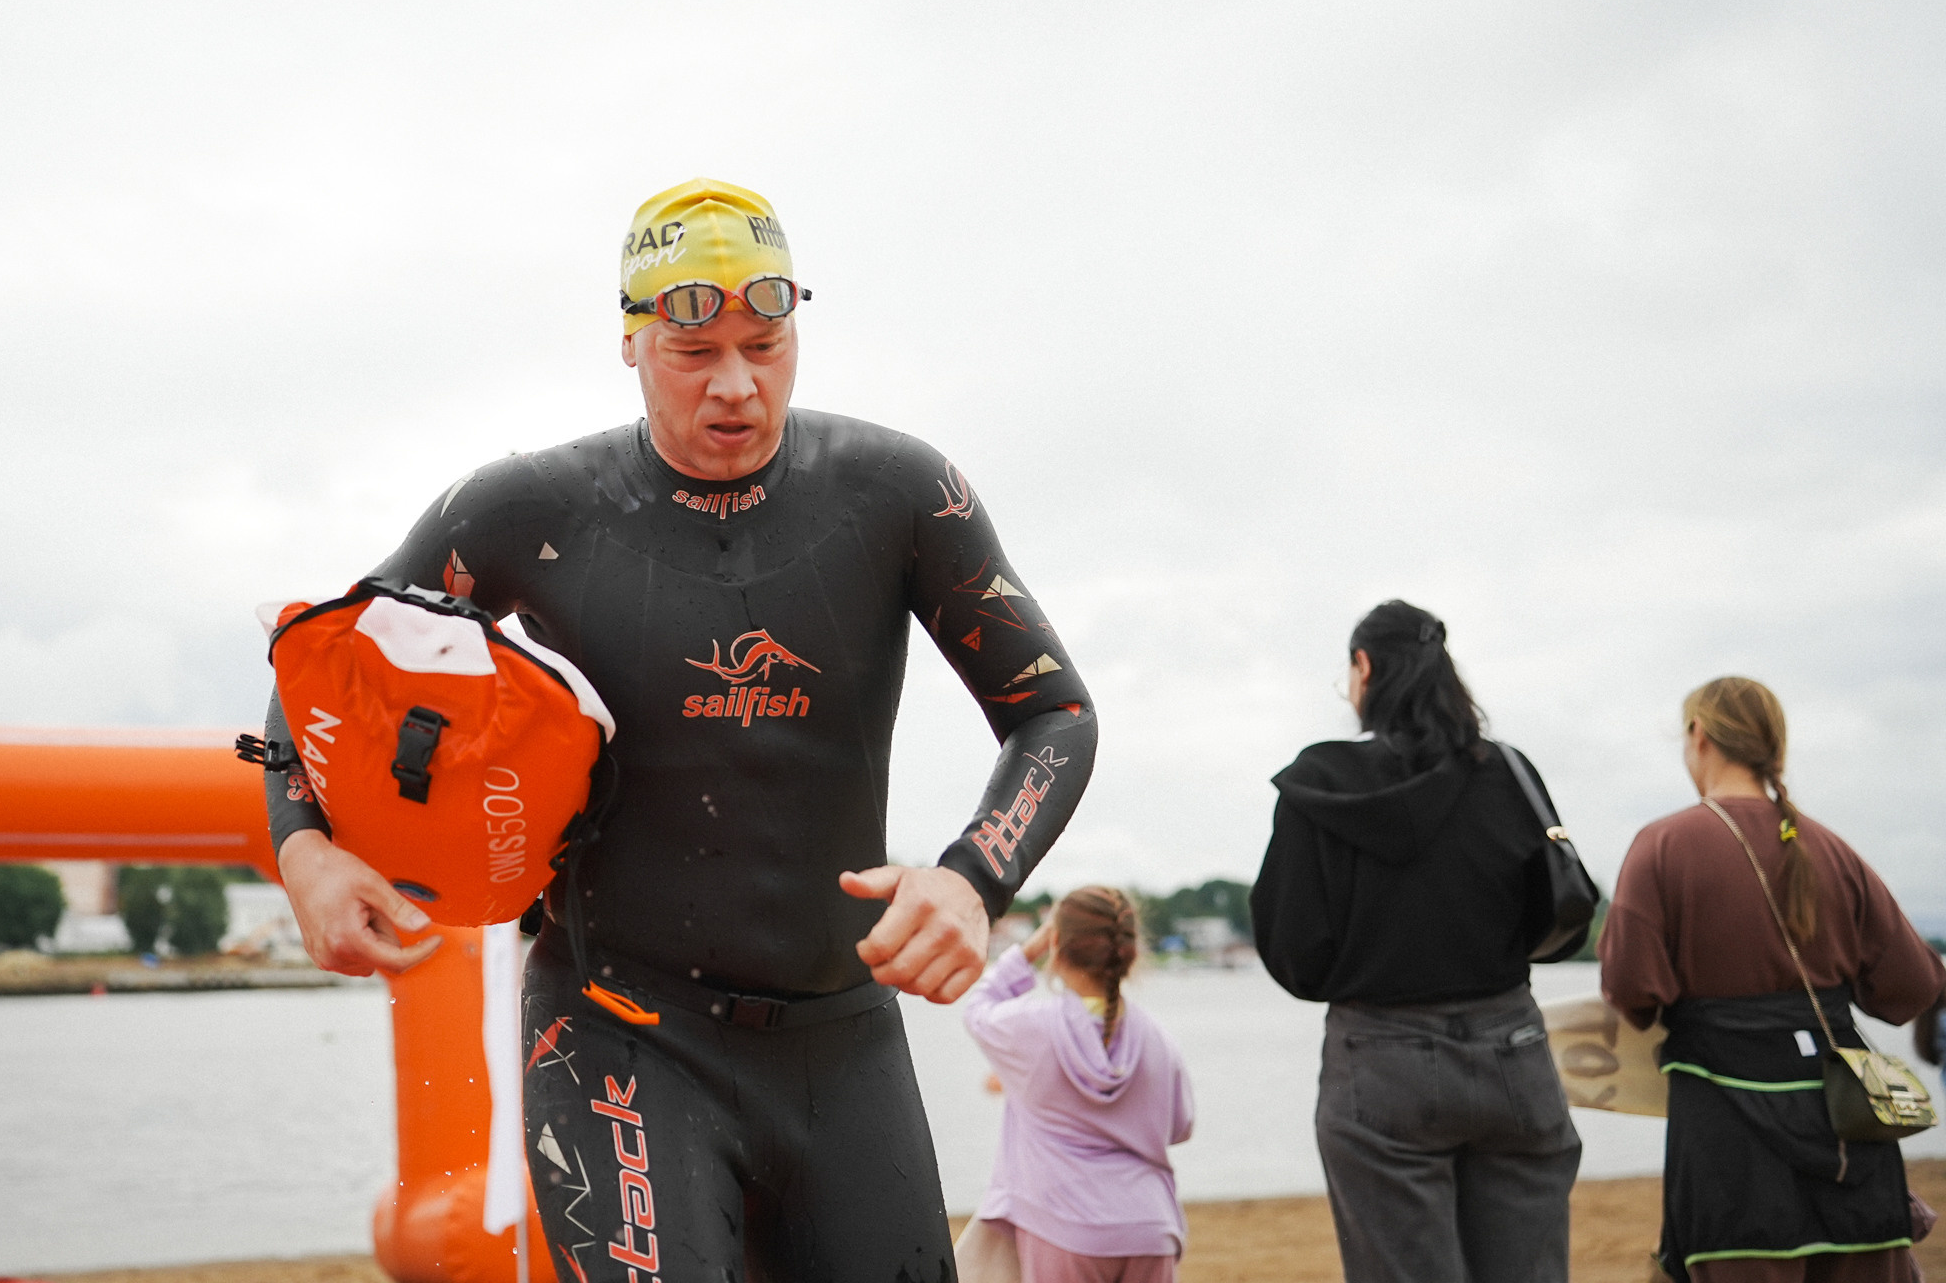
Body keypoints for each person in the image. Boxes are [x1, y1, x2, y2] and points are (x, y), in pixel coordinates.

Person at [261, 179, 1099, 1280]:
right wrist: (306, 851)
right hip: (619, 1028)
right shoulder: (529, 509)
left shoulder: (898, 494)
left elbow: (1053, 711)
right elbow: (326, 668)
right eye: (694, 351)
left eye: (768, 342)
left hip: (840, 1041)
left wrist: (972, 876)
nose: (739, 386)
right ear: (632, 342)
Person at [1250, 599, 1581, 1283]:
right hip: (1513, 1052)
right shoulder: (1509, 775)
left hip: (1381, 1061)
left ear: (1364, 667)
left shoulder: (1318, 784)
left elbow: (1291, 949)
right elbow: (1550, 910)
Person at [1598, 677, 1945, 1283]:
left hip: (1728, 1148)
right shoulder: (1831, 849)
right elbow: (1913, 988)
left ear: (1698, 736)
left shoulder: (1663, 845)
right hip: (1849, 1136)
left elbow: (1632, 991)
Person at [961, 886, 1193, 1283]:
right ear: (1129, 953)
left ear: (1057, 944)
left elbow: (979, 1007)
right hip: (1149, 1226)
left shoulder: (1032, 1028)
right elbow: (1180, 1126)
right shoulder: (1157, 1037)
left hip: (1064, 1223)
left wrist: (1027, 950)